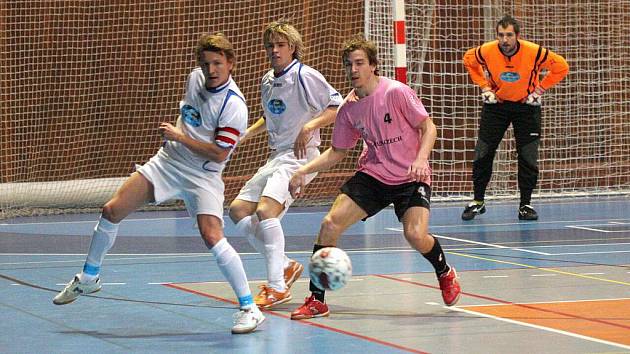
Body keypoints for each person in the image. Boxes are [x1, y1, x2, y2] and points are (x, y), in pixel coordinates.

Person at [53, 33, 265, 334]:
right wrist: (177, 141)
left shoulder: (234, 106)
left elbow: (219, 154)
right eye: (206, 64)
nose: (211, 70)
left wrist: (179, 136)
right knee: (111, 210)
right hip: (168, 162)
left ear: (231, 64)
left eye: (218, 63)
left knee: (212, 235)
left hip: (202, 175)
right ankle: (89, 278)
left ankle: (250, 308)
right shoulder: (195, 79)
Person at [287, 35, 462, 320]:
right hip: (374, 174)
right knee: (330, 223)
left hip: (410, 175)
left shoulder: (396, 93)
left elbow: (429, 127)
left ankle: (444, 271)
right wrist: (302, 171)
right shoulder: (347, 109)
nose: (353, 69)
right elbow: (337, 152)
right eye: (348, 64)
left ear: (373, 66)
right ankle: (317, 299)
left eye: (359, 63)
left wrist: (420, 159)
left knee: (415, 234)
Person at [228, 21, 342, 309]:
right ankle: (285, 266)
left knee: (266, 212)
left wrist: (310, 126)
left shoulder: (306, 76)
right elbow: (270, 116)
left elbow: (336, 105)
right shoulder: (267, 81)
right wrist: (245, 135)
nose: (274, 50)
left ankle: (277, 287)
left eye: (280, 45)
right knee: (238, 211)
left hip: (302, 156)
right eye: (270, 45)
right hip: (276, 156)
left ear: (292, 47)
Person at [461, 15, 569, 221]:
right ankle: (478, 201)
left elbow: (562, 66)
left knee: (528, 155)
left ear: (517, 36)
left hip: (526, 108)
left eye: (509, 35)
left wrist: (539, 90)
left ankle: (525, 205)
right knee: (483, 152)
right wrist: (484, 87)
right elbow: (468, 60)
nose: (504, 40)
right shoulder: (486, 51)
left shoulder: (534, 52)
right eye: (501, 35)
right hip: (496, 106)